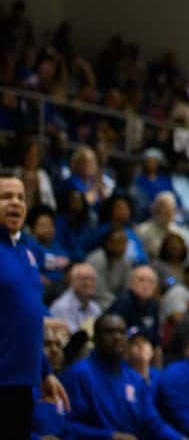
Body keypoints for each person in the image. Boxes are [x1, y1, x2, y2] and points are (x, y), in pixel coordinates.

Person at [0, 172, 69, 440]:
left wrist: (44, 372)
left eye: (20, 197)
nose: (15, 203)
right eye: (6, 196)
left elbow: (25, 321)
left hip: (22, 382)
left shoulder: (26, 252)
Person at [60, 313, 182, 440]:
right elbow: (67, 425)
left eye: (122, 332)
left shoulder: (135, 379)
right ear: (96, 338)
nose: (117, 337)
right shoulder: (78, 374)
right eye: (109, 332)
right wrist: (109, 436)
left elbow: (152, 423)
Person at [107, 265, 162, 349]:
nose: (146, 285)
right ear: (131, 283)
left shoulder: (154, 305)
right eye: (141, 280)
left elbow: (155, 335)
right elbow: (114, 336)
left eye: (150, 281)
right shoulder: (123, 303)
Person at [50, 262, 102, 333]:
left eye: (92, 279)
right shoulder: (62, 307)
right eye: (84, 279)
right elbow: (74, 336)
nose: (89, 283)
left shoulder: (95, 307)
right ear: (72, 281)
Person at [86, 227, 131, 308]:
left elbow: (126, 289)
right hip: (95, 300)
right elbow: (98, 292)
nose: (124, 246)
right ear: (109, 244)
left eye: (125, 243)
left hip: (114, 301)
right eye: (119, 243)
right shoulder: (96, 259)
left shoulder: (125, 261)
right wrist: (118, 303)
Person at [136, 192, 187, 261]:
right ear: (156, 210)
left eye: (172, 210)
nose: (169, 213)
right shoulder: (143, 230)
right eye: (165, 210)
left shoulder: (179, 231)